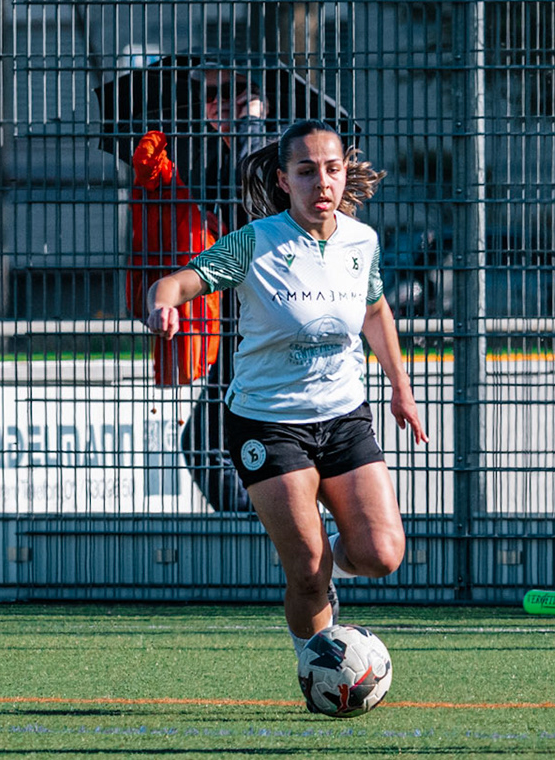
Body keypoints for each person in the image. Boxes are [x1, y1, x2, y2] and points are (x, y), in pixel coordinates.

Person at [144, 120, 428, 675]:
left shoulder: (360, 241)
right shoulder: (255, 242)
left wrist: (401, 388)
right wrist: (164, 304)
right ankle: (315, 663)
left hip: (345, 417)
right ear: (283, 180)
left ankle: (328, 575)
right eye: (305, 171)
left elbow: (374, 311)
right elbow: (177, 282)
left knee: (381, 554)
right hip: (267, 424)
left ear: (345, 173)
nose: (321, 181)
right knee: (304, 569)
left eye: (332, 168)